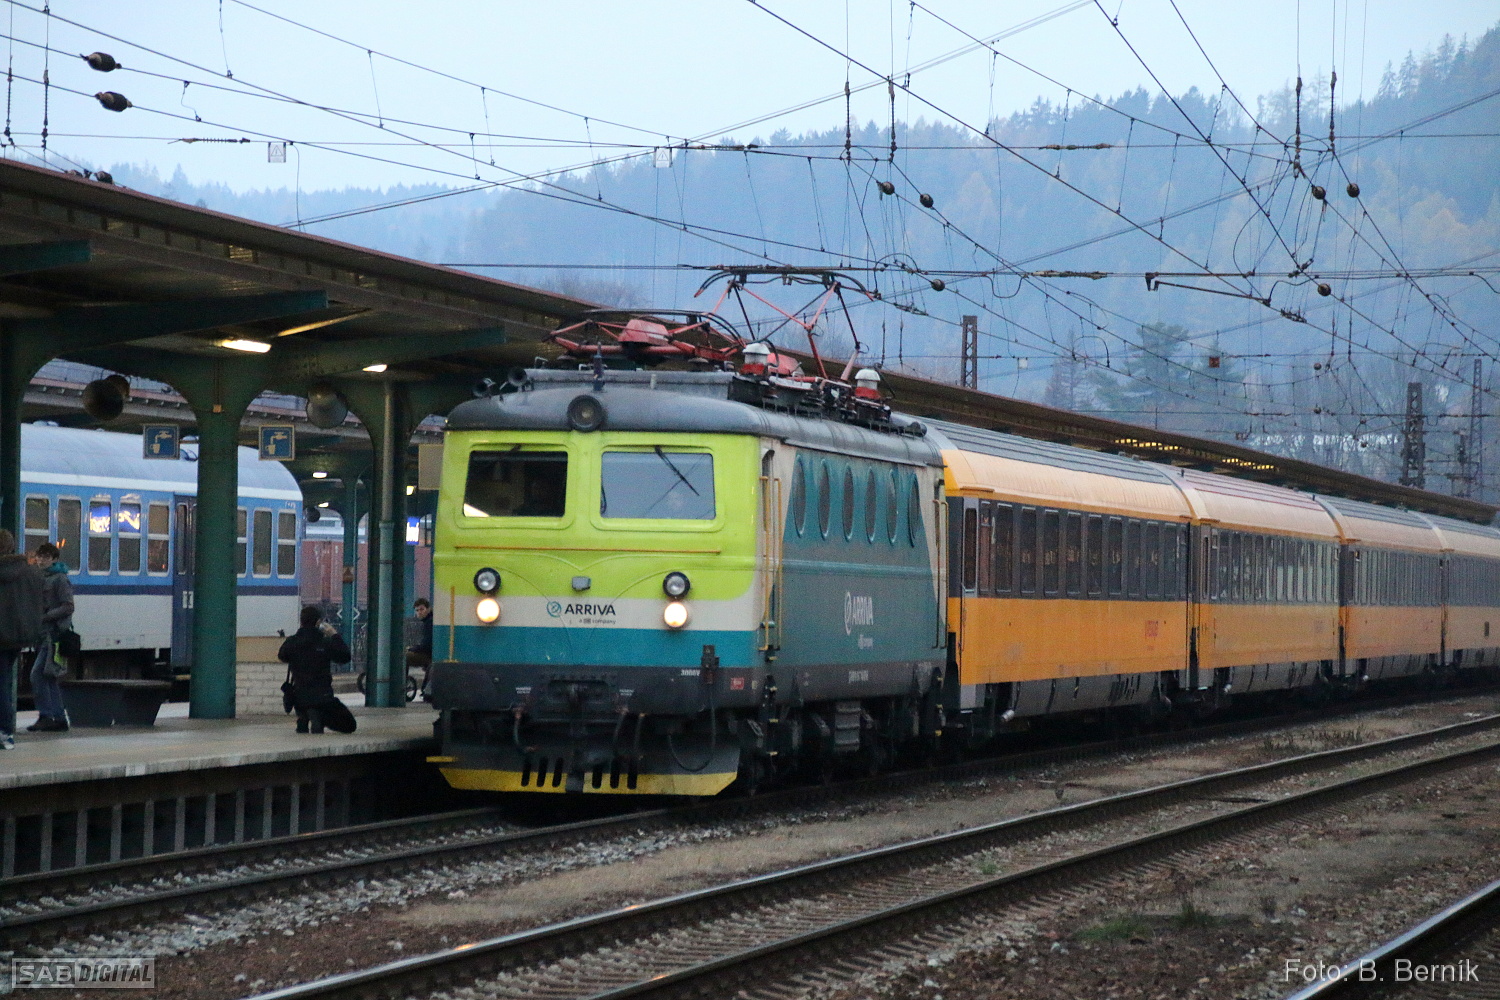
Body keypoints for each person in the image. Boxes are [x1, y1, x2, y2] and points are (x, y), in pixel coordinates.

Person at [0, 529, 44, 750]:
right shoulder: (31, 572)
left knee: (2, 684)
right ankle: (6, 732)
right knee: (5, 682)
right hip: (17, 637)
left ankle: (3, 731)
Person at [278, 605, 351, 734]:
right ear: (318, 622)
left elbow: (282, 656)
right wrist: (334, 635)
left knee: (304, 712)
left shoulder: (292, 642)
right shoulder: (325, 642)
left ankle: (303, 719)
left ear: (301, 621)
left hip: (299, 696)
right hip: (323, 697)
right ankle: (319, 719)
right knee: (349, 725)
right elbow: (345, 657)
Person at [27, 542, 73, 732]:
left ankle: (46, 716)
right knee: (49, 676)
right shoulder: (40, 577)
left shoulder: (59, 579)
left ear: (54, 559)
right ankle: (58, 718)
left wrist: (46, 616)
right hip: (42, 634)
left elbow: (68, 606)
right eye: (39, 556)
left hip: (53, 635)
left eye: (46, 557)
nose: (41, 560)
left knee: (37, 675)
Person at [406, 597, 433, 699]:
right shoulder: (428, 621)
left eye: (422, 609)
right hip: (429, 653)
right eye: (417, 610)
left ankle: (402, 685)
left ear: (428, 609)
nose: (419, 612)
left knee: (404, 657)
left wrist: (413, 649)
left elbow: (426, 645)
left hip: (429, 655)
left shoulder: (430, 622)